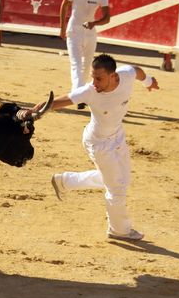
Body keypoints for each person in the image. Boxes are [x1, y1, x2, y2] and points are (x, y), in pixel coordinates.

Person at [18, 54, 159, 241]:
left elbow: (137, 71)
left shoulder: (126, 75)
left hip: (117, 136)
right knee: (116, 187)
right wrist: (32, 111)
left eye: (99, 78)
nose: (94, 82)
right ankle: (119, 230)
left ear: (113, 75)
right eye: (92, 77)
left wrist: (149, 81)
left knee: (119, 179)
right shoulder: (89, 91)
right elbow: (57, 103)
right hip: (98, 142)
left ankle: (66, 181)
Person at [59, 0, 110, 109]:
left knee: (87, 65)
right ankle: (79, 96)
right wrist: (62, 28)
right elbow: (64, 6)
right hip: (74, 31)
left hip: (90, 33)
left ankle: (79, 93)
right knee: (76, 64)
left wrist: (94, 22)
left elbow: (107, 18)